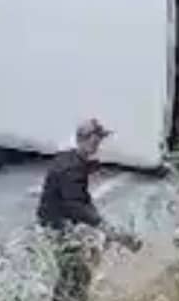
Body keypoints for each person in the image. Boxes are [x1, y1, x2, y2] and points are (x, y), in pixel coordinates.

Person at [37, 119, 141, 301]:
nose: (99, 145)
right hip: (57, 225)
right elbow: (76, 205)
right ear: (87, 140)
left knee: (75, 271)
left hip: (55, 220)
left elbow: (80, 199)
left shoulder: (69, 158)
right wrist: (106, 228)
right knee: (75, 272)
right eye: (97, 140)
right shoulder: (72, 168)